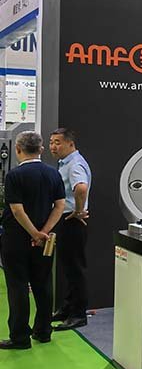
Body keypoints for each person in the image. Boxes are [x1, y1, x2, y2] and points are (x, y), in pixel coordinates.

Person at [0, 131, 66, 349]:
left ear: (18, 149)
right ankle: (43, 331)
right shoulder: (53, 174)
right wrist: (43, 232)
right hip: (45, 240)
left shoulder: (14, 176)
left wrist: (33, 233)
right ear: (41, 149)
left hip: (16, 239)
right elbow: (60, 206)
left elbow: (17, 210)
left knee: (18, 285)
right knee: (43, 283)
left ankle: (20, 337)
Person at [49, 128, 92, 331]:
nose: (53, 146)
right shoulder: (66, 163)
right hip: (66, 221)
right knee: (68, 267)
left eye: (57, 142)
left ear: (70, 144)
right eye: (51, 142)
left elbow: (81, 188)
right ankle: (67, 308)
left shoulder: (74, 164)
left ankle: (78, 314)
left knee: (75, 268)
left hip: (72, 222)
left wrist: (78, 211)